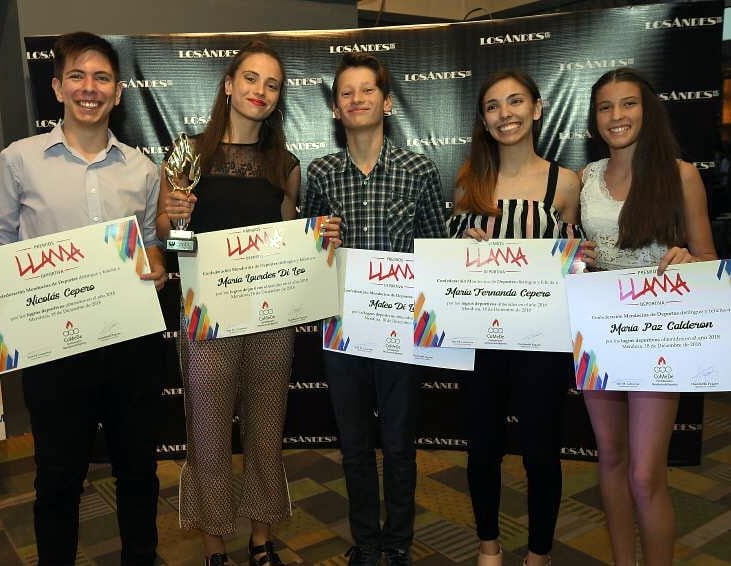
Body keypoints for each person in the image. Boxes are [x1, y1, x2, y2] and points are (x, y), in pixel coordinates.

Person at [0, 32, 167, 565]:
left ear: (118, 92)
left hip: (131, 347)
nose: (89, 88)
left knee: (139, 473)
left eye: (101, 78)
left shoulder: (144, 170)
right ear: (57, 87)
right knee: (57, 478)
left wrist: (158, 264)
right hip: (54, 351)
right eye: (77, 76)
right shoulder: (19, 160)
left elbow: (148, 244)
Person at [157, 40, 340, 566]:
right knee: (209, 436)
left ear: (278, 98)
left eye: (272, 84)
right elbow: (172, 245)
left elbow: (290, 245)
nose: (260, 91)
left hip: (269, 320)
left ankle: (261, 541)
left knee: (264, 433)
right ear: (229, 85)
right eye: (251, 79)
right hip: (206, 320)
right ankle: (215, 545)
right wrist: (175, 219)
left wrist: (319, 237)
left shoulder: (284, 165)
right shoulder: (188, 154)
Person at [302, 53, 447, 566]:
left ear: (386, 103)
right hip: (341, 329)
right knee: (356, 443)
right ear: (336, 109)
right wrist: (319, 242)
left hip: (402, 328)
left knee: (400, 442)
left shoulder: (419, 169)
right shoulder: (320, 173)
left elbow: (437, 248)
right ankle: (366, 542)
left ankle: (399, 540)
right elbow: (308, 255)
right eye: (346, 93)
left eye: (367, 91)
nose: (357, 99)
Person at [447, 69, 595, 566]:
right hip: (482, 338)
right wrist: (459, 247)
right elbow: (448, 264)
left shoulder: (566, 183)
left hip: (542, 341)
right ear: (484, 119)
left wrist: (580, 259)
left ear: (537, 108)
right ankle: (488, 546)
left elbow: (577, 262)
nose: (504, 113)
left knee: (540, 451)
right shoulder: (469, 180)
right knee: (483, 448)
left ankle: (539, 553)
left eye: (514, 102)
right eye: (492, 106)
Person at [580, 67, 716, 566]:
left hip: (659, 333)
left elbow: (709, 259)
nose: (617, 116)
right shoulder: (585, 178)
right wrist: (576, 256)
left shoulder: (681, 175)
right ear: (595, 121)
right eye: (606, 107)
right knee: (610, 459)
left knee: (644, 474)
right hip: (599, 330)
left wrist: (688, 259)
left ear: (648, 109)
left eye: (628, 104)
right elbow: (573, 251)